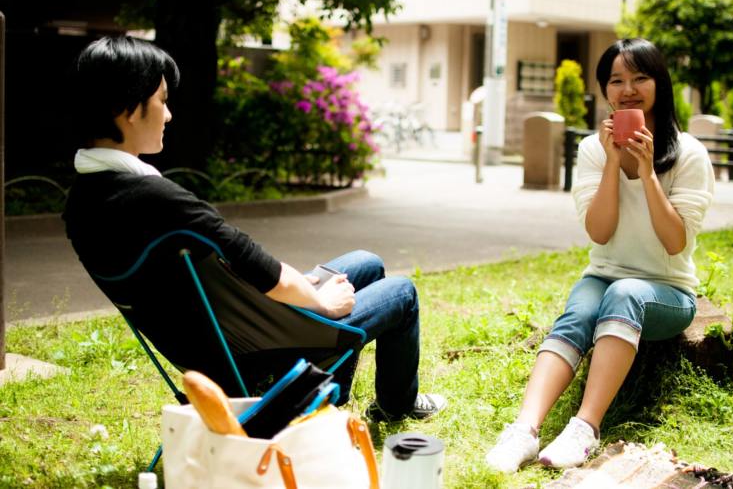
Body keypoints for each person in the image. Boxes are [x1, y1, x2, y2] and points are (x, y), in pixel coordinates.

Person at [62, 35, 446, 422]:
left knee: (366, 262)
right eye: (162, 100)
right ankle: (394, 406)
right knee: (402, 292)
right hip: (259, 355)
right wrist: (320, 303)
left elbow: (236, 272)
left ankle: (331, 393)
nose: (168, 114)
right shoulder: (156, 198)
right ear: (128, 108)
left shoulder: (82, 203)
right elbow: (259, 267)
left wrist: (305, 288)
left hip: (222, 339)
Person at [486, 38, 715, 471]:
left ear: (659, 84)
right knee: (579, 311)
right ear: (605, 92)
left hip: (668, 292)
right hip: (603, 275)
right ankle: (524, 430)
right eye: (616, 80)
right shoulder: (593, 150)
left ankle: (583, 429)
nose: (628, 89)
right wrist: (613, 163)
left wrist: (647, 173)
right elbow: (600, 232)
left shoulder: (689, 154)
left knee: (626, 292)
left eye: (640, 78)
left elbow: (674, 242)